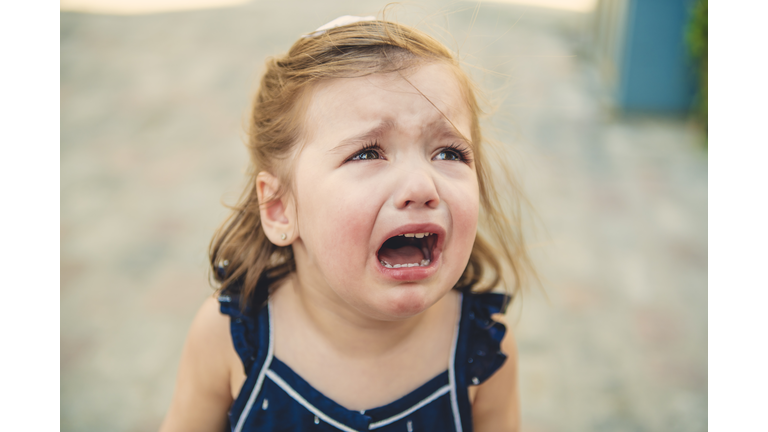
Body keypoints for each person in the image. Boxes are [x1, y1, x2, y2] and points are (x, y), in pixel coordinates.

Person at [160, 15, 533, 432]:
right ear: (281, 208)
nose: (421, 185)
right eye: (369, 153)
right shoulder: (227, 338)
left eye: (448, 153)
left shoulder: (482, 352)